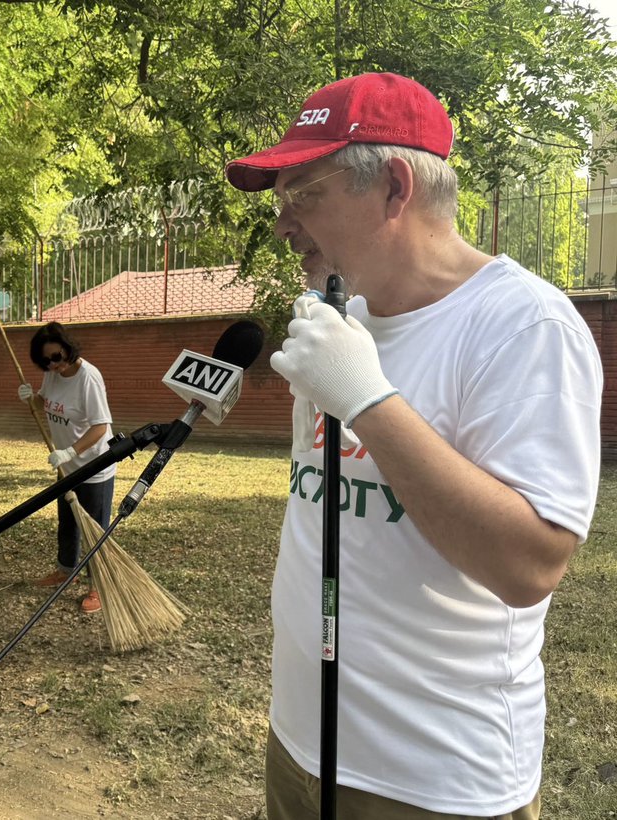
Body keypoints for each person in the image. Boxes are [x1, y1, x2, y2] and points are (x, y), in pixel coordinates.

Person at [224, 72, 602, 819]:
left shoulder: (525, 326)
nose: (283, 225)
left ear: (395, 188)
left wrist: (368, 399)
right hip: (300, 742)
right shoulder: (343, 317)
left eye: (304, 197)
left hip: (432, 779)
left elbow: (530, 565)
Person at [15, 322, 115, 614]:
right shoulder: (52, 375)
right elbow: (43, 403)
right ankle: (65, 569)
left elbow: (100, 427)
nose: (52, 365)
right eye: (45, 361)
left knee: (94, 529)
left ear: (68, 348)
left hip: (94, 465)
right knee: (68, 521)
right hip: (67, 467)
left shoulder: (89, 378)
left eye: (56, 357)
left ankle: (98, 584)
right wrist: (30, 396)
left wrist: (71, 451)